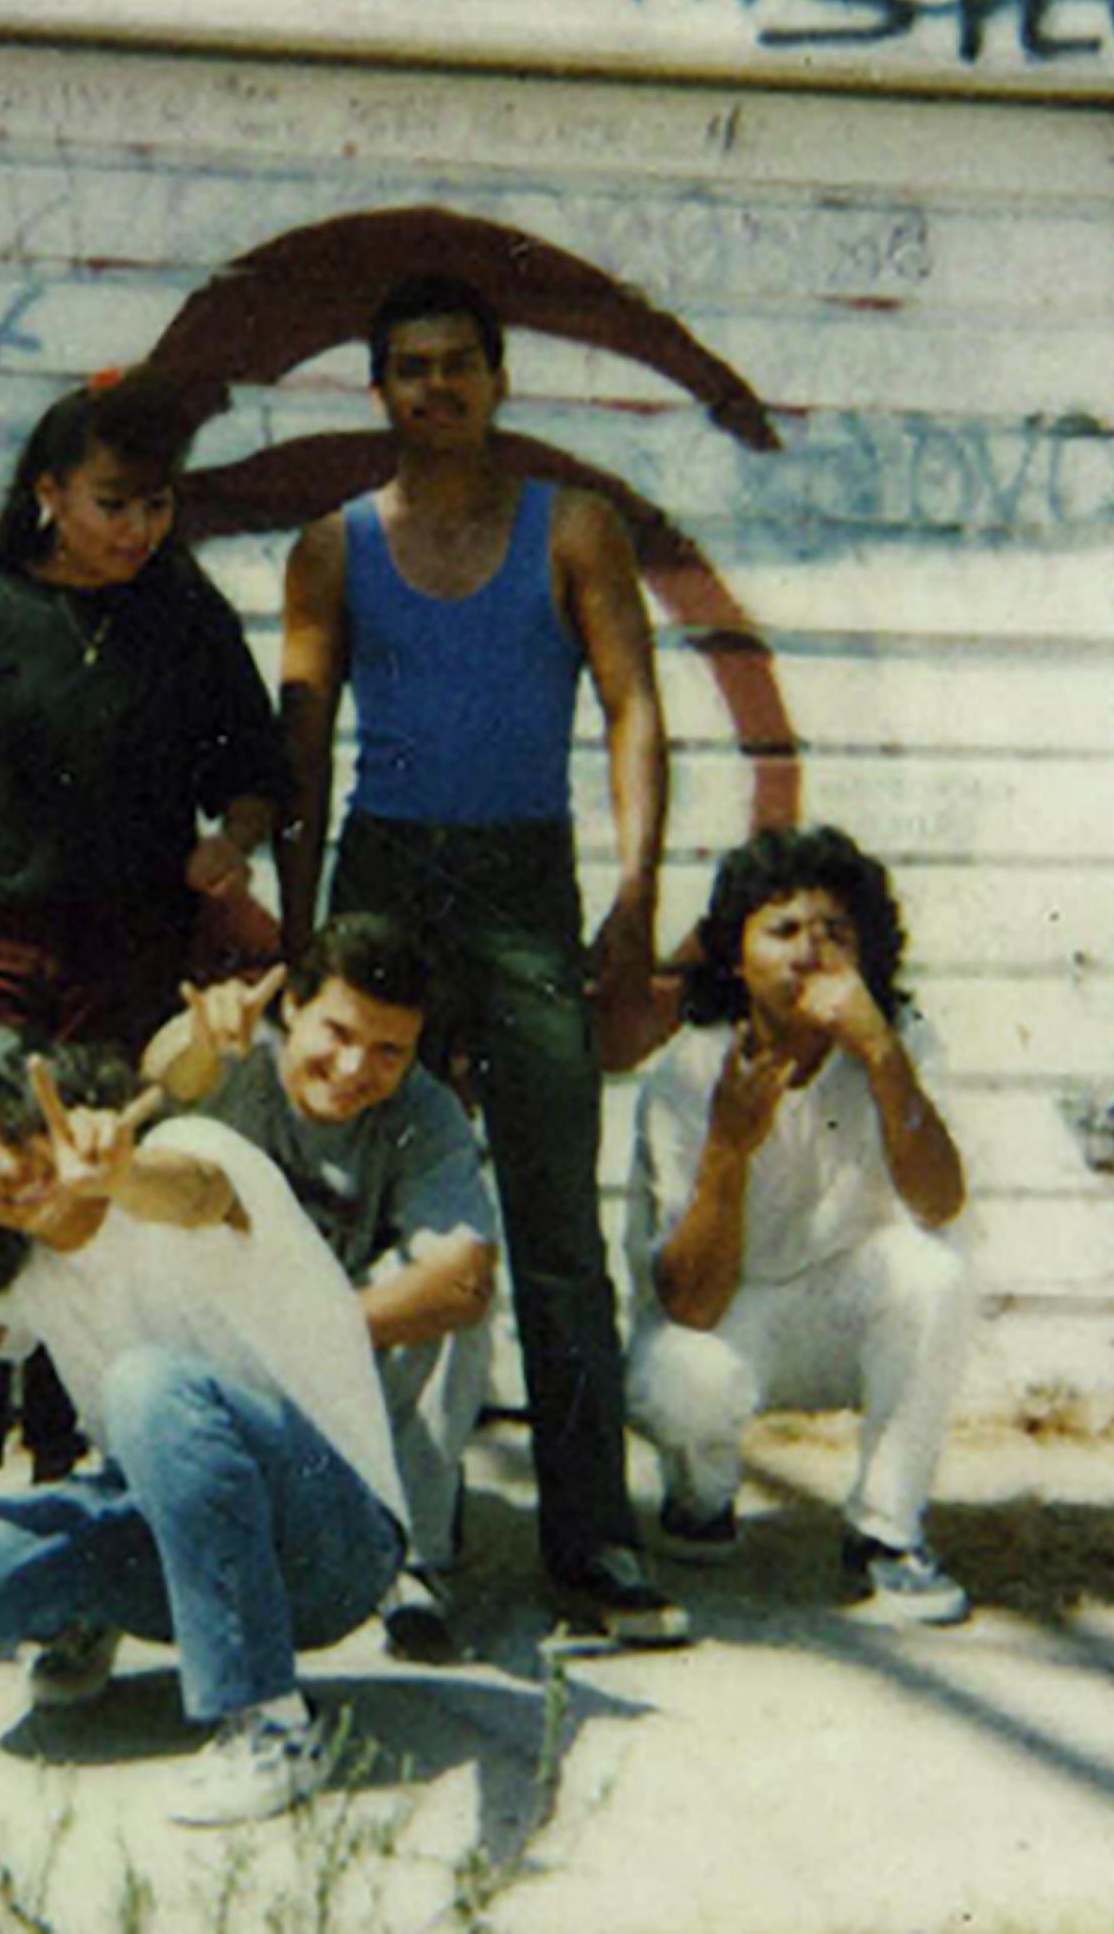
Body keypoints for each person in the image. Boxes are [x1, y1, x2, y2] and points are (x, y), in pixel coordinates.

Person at [276, 271, 685, 1647]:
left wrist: (633, 890)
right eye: (410, 367)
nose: (436, 387)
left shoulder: (569, 527)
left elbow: (635, 705)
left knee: (555, 1217)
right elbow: (302, 740)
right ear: (378, 389)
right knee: (372, 1204)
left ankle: (596, 1537)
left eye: (460, 363)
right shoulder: (336, 543)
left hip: (522, 878)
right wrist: (294, 923)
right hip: (385, 875)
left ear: (500, 379)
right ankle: (396, 1530)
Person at [0, 1024, 406, 1824]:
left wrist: (120, 1172)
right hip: (192, 1529)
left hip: (335, 1544)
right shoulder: (8, 1256)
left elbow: (199, 1190)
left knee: (145, 1385)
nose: (7, 1166)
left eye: (23, 1128)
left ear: (72, 1107)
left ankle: (271, 1722)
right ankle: (92, 1614)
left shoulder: (183, 1151)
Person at [0, 377, 287, 1484]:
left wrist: (234, 841)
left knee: (99, 1191)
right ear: (49, 492)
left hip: (134, 952)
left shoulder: (185, 613)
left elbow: (256, 775)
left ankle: (87, 1455)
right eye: (113, 503)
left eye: (156, 506)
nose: (137, 529)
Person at [624, 825, 977, 1624]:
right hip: (732, 1315)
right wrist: (726, 1146)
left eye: (836, 932)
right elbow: (690, 1302)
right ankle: (700, 1496)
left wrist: (883, 1055)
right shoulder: (689, 1067)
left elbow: (940, 1203)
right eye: (782, 930)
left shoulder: (902, 1041)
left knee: (940, 1272)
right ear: (736, 956)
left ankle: (887, 1532)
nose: (811, 952)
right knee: (683, 1373)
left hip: (846, 1312)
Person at [141, 913, 499, 1663]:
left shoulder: (424, 1111)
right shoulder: (238, 1057)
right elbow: (169, 1072)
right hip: (207, 1333)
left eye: (386, 1049)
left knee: (453, 1304)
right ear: (293, 1005)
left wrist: (310, 1329)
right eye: (337, 1031)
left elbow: (464, 1276)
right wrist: (199, 1036)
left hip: (325, 1338)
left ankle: (409, 1556)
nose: (352, 1067)